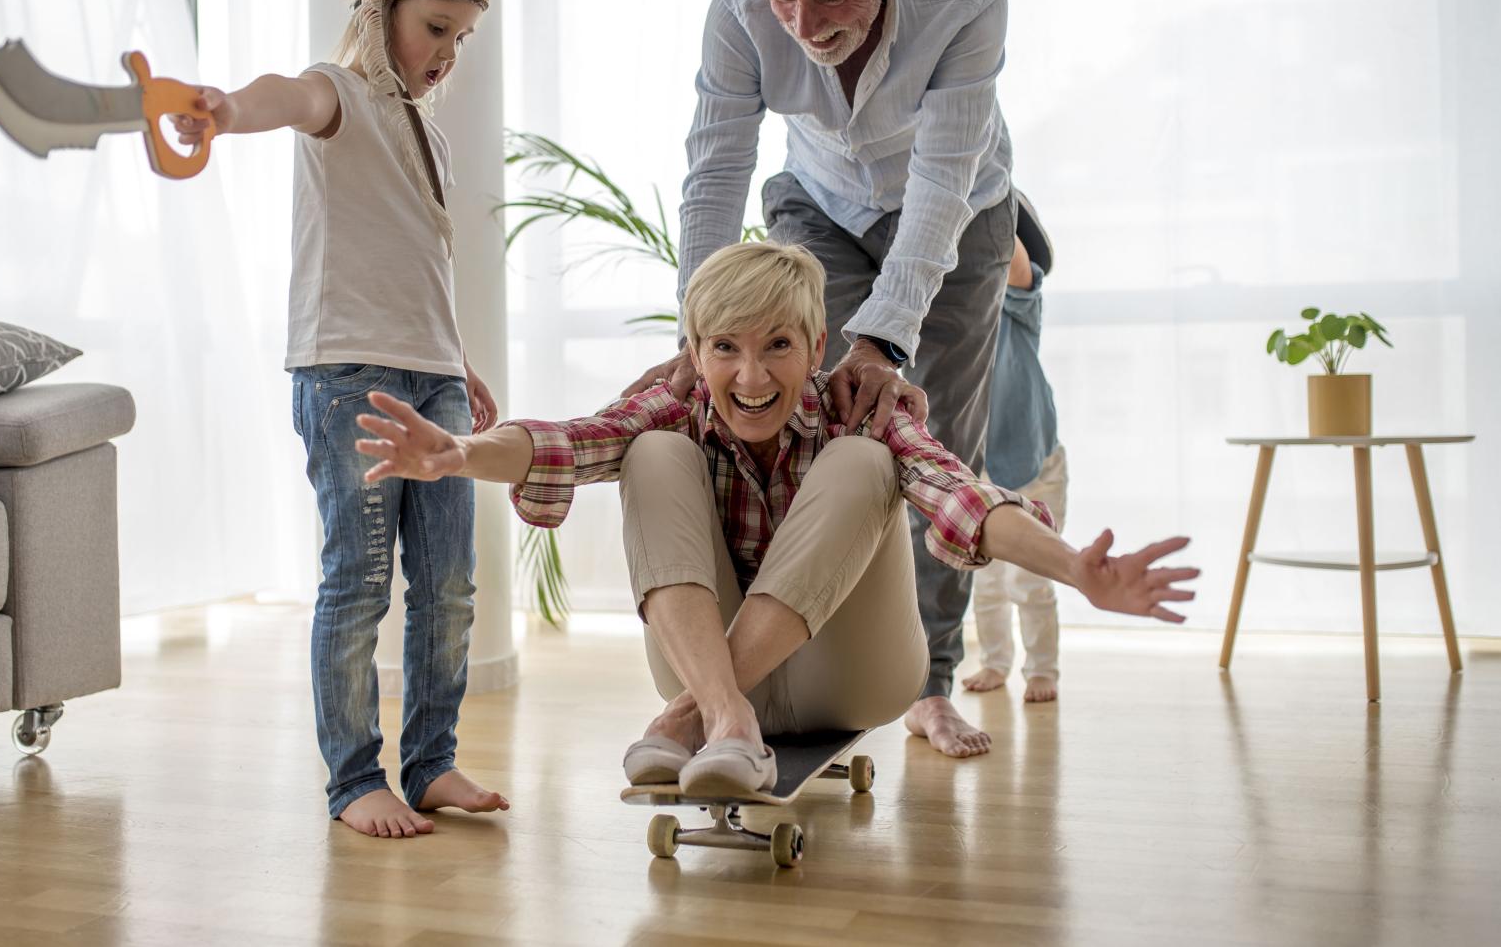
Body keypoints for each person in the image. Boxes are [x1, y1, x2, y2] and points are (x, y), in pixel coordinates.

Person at [359, 241, 1198, 793]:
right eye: (725, 347)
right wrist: (462, 454)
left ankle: (689, 718)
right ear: (694, 353)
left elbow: (960, 496)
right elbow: (573, 441)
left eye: (777, 347)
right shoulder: (675, 404)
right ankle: (727, 716)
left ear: (818, 344)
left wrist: (1074, 569)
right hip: (711, 661)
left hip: (853, 675)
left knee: (866, 459)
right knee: (648, 451)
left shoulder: (861, 409)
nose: (751, 374)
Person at [623, 0, 1029, 758]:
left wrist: (883, 342)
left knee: (932, 439)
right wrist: (701, 335)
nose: (805, 24)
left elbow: (938, 191)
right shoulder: (736, 6)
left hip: (960, 213)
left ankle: (927, 684)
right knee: (802, 421)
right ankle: (758, 677)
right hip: (818, 201)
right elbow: (717, 170)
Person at [171, 0, 507, 838]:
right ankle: (352, 779)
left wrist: (459, 364)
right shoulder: (338, 93)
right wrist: (228, 111)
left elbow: (409, 265)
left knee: (447, 582)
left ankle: (432, 760)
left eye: (464, 35)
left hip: (430, 374)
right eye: (438, 26)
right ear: (381, 3)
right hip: (348, 376)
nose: (449, 50)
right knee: (357, 580)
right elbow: (283, 93)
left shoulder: (427, 133)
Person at [965, 213, 1065, 703]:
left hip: (1034, 465)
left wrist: (992, 201)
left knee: (1031, 578)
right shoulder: (956, 323)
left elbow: (1015, 261)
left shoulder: (1017, 309)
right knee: (983, 583)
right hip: (981, 470)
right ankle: (995, 661)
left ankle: (1042, 668)